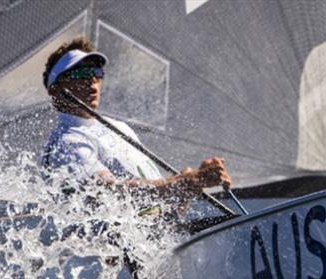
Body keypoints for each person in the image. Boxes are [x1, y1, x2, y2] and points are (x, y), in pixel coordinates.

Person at [40, 37, 231, 199]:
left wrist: (191, 187)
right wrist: (186, 182)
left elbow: (161, 210)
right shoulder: (67, 142)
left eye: (96, 72)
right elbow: (108, 193)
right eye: (80, 73)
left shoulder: (119, 128)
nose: (91, 79)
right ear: (55, 89)